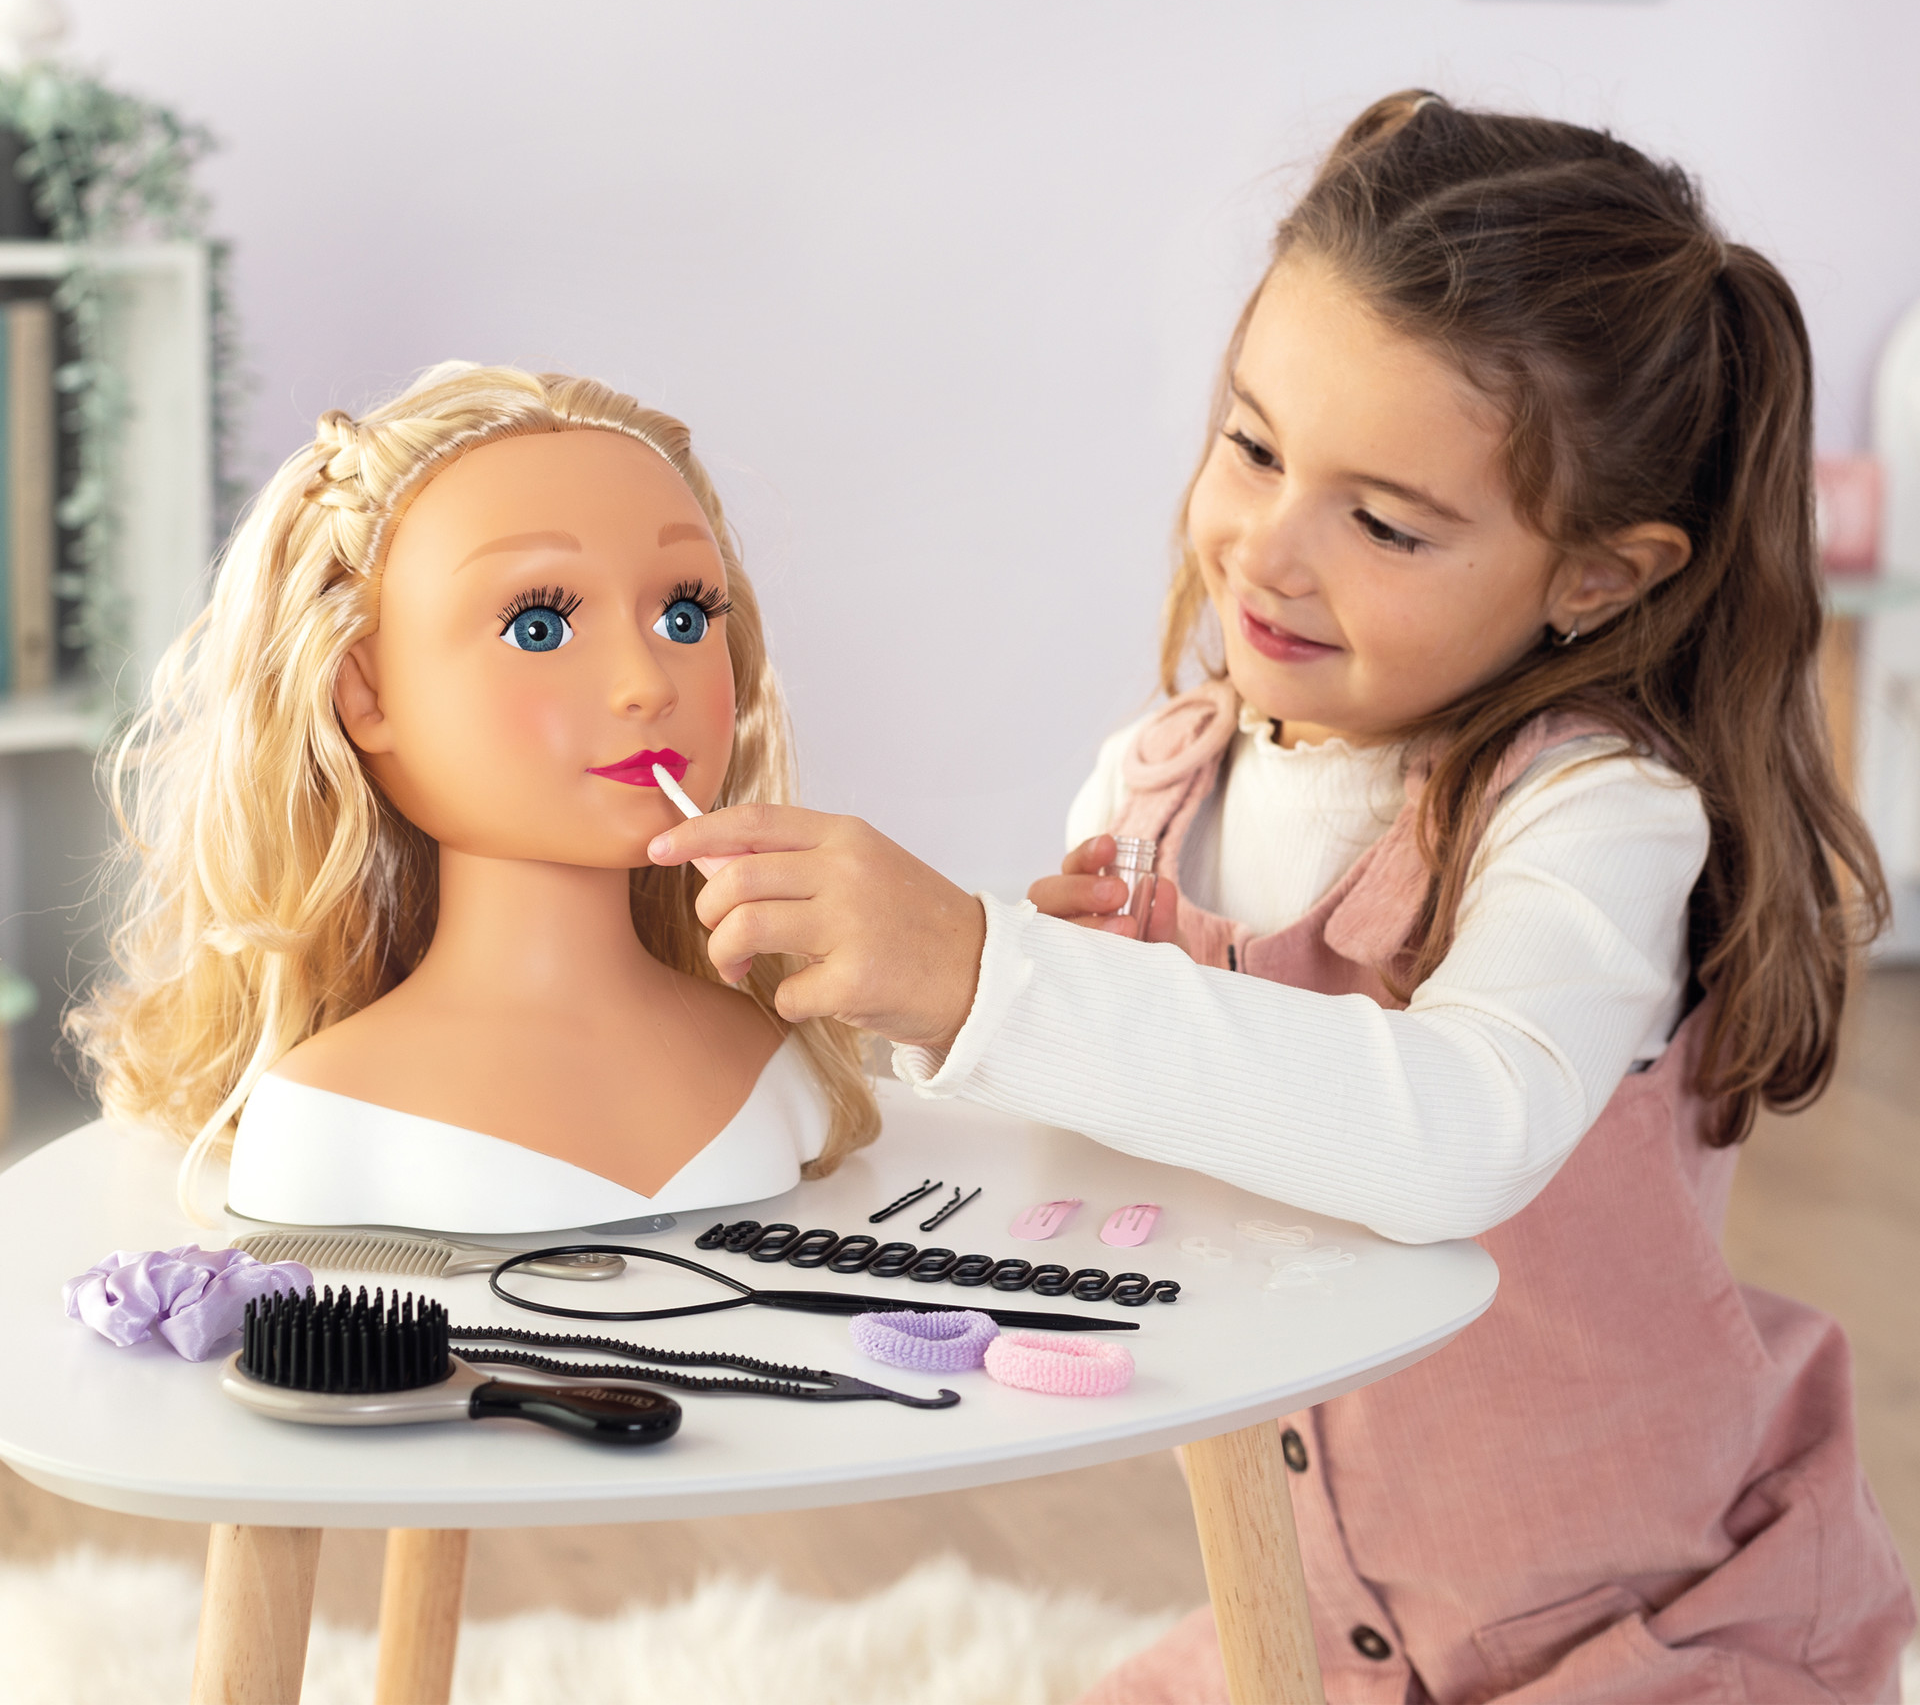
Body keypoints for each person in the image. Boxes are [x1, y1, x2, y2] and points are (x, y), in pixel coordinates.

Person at [650, 94, 1916, 1700]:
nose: (1269, 549)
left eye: (1384, 522)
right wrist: (922, 1017)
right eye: (1253, 446)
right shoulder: (1155, 788)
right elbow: (1106, 1160)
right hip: (1320, 1630)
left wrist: (990, 978)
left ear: (1597, 575)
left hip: (1649, 1633)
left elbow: (1460, 1134)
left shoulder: (1596, 814)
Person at [68, 364, 876, 1231]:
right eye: (540, 626)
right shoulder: (326, 1122)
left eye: (683, 615)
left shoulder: (778, 1062)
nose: (646, 685)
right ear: (365, 692)